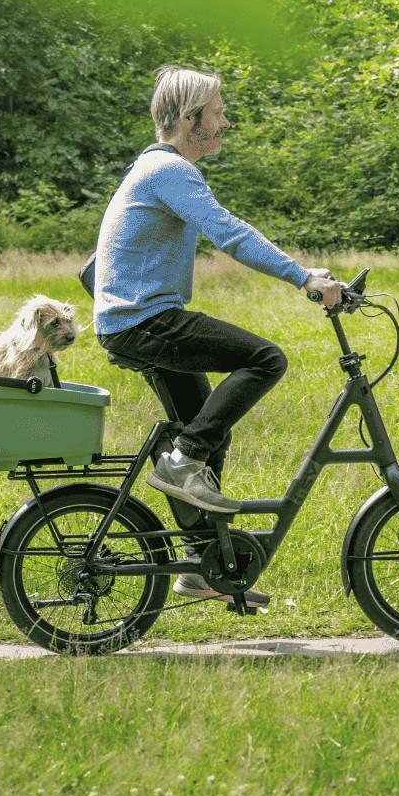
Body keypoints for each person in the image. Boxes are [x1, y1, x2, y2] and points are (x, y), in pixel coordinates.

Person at [92, 65, 343, 608]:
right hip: (145, 321)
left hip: (134, 320)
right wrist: (305, 277)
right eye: (218, 112)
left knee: (208, 431)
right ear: (189, 120)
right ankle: (181, 462)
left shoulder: (156, 170)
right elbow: (228, 232)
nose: (225, 121)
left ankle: (200, 567)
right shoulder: (169, 171)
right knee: (265, 359)